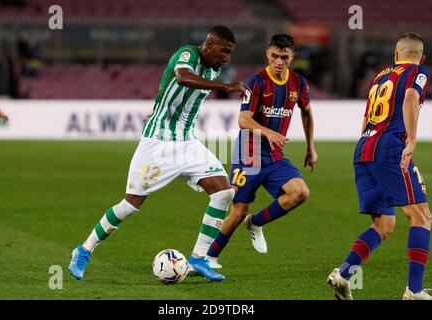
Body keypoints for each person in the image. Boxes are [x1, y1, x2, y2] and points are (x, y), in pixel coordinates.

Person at [68, 25, 248, 282]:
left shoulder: (213, 68)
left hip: (186, 143)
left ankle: (198, 258)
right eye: (225, 51)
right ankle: (84, 250)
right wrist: (225, 87)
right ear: (209, 44)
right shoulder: (187, 54)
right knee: (129, 205)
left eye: (230, 53)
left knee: (224, 192)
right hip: (157, 143)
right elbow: (183, 78)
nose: (227, 58)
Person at [327, 32, 431, 300]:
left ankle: (343, 275)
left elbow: (366, 117)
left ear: (396, 55)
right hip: (390, 149)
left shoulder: (380, 76)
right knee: (422, 217)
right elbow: (410, 99)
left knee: (384, 224)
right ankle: (414, 291)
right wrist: (411, 140)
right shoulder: (418, 72)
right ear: (421, 57)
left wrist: (367, 143)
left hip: (364, 148)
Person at [204, 34, 318, 278]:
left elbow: (306, 112)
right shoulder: (256, 83)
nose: (279, 61)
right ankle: (210, 257)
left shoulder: (299, 83)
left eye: (284, 57)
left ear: (292, 57)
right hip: (249, 155)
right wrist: (268, 133)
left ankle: (256, 223)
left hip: (274, 155)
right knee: (238, 211)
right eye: (275, 56)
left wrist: (311, 147)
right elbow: (243, 119)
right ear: (268, 53)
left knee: (300, 192)